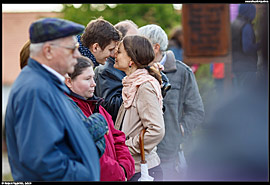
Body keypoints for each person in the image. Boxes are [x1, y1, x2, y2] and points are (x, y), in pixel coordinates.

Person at [4, 17, 100, 181]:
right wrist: (84, 174)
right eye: (72, 48)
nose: (77, 55)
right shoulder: (36, 90)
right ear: (48, 51)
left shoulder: (45, 83)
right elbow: (42, 160)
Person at [139, 24, 205, 181]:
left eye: (143, 45)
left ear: (155, 48)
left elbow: (196, 111)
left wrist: (179, 131)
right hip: (141, 153)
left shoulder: (182, 72)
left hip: (167, 154)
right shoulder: (137, 70)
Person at [65, 56, 135, 181]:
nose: (94, 84)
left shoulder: (96, 106)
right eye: (87, 79)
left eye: (93, 77)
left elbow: (117, 138)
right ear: (69, 82)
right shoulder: (67, 111)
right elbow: (91, 155)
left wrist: (125, 167)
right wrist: (119, 173)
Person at [114, 35, 165, 181]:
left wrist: (126, 147)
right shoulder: (132, 83)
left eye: (119, 52)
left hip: (143, 170)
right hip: (131, 167)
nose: (115, 55)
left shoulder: (144, 86)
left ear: (131, 59)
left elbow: (156, 130)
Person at [94, 20, 138, 123]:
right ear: (118, 43)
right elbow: (111, 108)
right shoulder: (105, 70)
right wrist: (138, 87)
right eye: (132, 40)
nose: (137, 44)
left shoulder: (130, 66)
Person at [231, 4, 260, 89]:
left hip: (236, 66)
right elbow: (247, 48)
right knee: (249, 95)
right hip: (247, 67)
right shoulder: (246, 26)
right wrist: (260, 45)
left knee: (239, 95)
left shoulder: (234, 23)